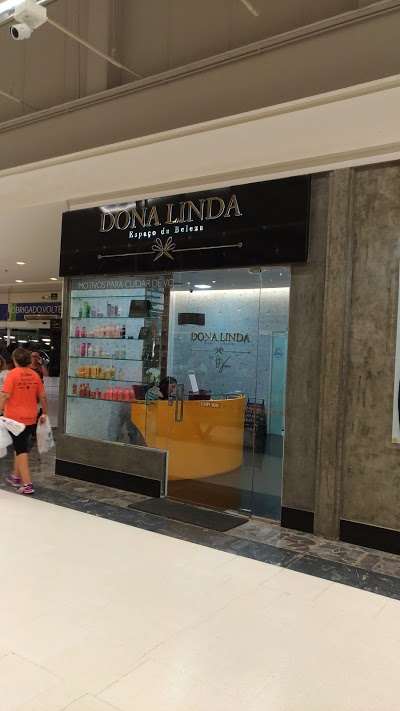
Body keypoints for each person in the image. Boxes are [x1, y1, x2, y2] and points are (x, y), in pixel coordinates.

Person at [0, 347, 48, 495]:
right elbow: (42, 396)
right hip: (31, 418)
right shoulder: (35, 375)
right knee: (20, 446)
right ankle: (15, 476)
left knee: (21, 451)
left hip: (14, 420)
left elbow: (5, 396)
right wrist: (44, 413)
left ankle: (27, 484)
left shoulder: (12, 374)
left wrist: (0, 409)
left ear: (14, 360)